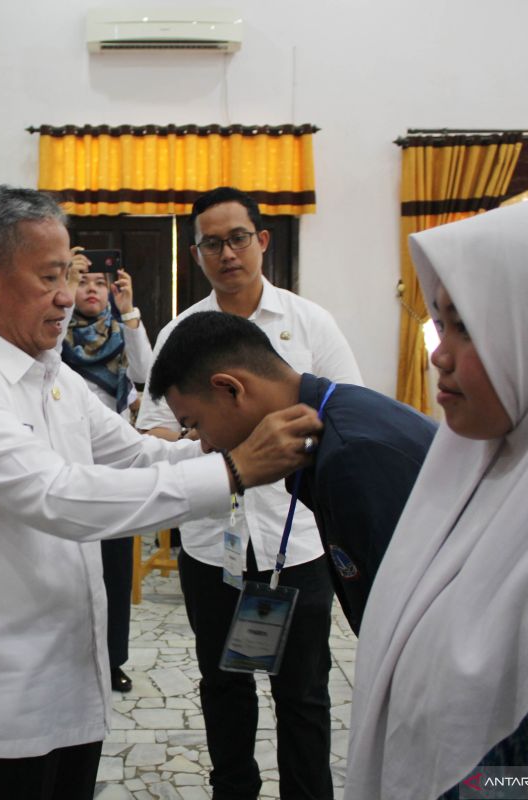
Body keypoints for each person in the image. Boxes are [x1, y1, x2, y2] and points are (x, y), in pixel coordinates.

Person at [0, 185, 323, 800]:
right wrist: (232, 472)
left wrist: (229, 441)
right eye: (50, 278)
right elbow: (60, 497)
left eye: (68, 273)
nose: (69, 296)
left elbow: (140, 453)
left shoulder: (52, 373)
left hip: (66, 683)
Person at [346, 198, 528, 800]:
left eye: (468, 326)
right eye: (441, 321)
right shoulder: (475, 478)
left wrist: (472, 785)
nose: (438, 353)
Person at [136, 186, 361, 800]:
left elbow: (346, 412)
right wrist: (217, 446)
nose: (227, 253)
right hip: (214, 542)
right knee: (223, 684)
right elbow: (153, 427)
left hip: (300, 540)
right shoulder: (181, 333)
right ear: (197, 253)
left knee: (305, 693)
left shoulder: (309, 323)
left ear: (261, 241)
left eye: (238, 238)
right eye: (213, 242)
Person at [147, 310, 437, 634]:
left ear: (230, 389)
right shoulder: (331, 422)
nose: (204, 445)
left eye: (195, 425)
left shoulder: (350, 454)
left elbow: (408, 617)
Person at [61, 258, 153, 693]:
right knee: (67, 568)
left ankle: (113, 658)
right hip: (66, 464)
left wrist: (130, 311)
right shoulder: (55, 334)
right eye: (82, 283)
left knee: (115, 570)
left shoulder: (121, 333)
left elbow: (144, 375)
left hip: (114, 465)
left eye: (101, 284)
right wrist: (63, 289)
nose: (92, 291)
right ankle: (71, 656)